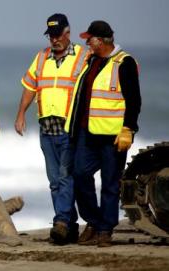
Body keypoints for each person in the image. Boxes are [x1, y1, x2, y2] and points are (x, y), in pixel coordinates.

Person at [64, 20, 142, 247]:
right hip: (87, 134)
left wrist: (129, 128)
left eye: (89, 39)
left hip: (113, 136)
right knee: (79, 175)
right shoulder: (92, 61)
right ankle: (94, 221)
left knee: (110, 184)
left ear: (101, 41)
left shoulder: (124, 63)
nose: (86, 42)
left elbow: (134, 100)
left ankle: (105, 230)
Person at [15, 13, 89, 245]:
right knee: (55, 181)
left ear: (68, 33)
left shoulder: (83, 57)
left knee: (66, 178)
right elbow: (30, 87)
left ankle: (61, 222)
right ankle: (70, 227)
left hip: (69, 129)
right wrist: (20, 115)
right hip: (46, 129)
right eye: (50, 36)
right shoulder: (41, 58)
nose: (54, 40)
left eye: (57, 35)